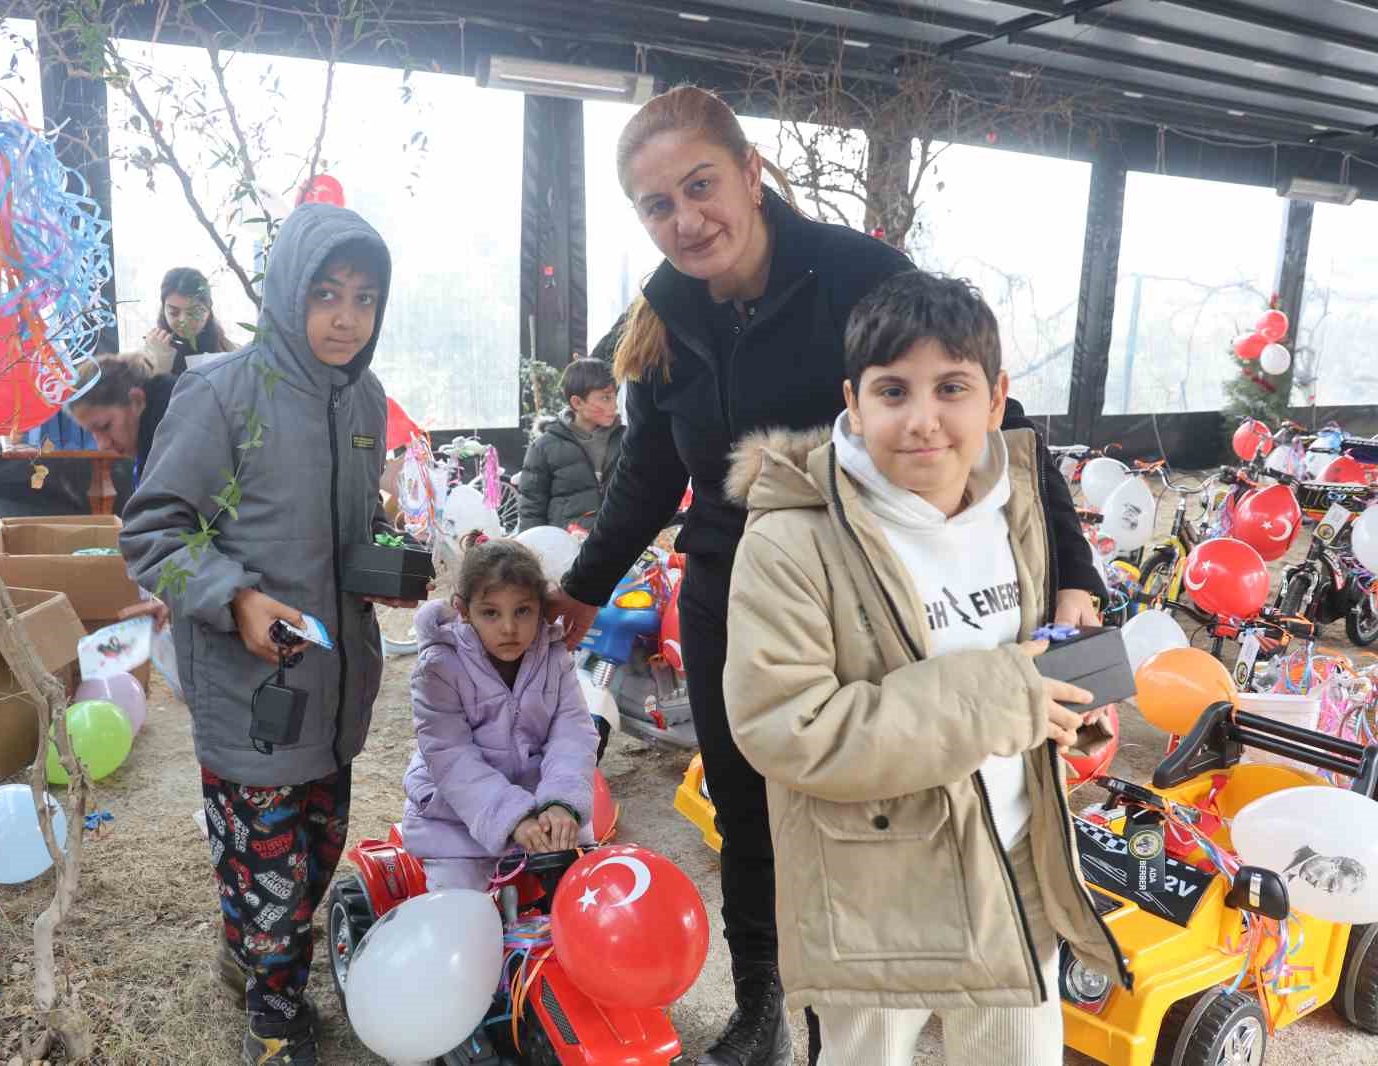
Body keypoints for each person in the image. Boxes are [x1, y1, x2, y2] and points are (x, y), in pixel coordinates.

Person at [545, 86, 1105, 1066]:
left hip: (886, 583)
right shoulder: (665, 315)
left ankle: (965, 982)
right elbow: (649, 468)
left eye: (700, 185)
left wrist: (1073, 575)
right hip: (737, 586)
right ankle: (771, 1005)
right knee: (753, 806)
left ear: (751, 173)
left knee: (901, 789)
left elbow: (997, 427)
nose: (685, 218)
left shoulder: (857, 275)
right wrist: (583, 587)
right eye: (657, 204)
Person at [721, 271, 1125, 1065]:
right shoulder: (791, 541)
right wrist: (1003, 695)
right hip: (872, 884)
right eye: (893, 391)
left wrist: (1072, 703)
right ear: (854, 400)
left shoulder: (1019, 512)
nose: (923, 421)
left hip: (1013, 854)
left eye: (951, 388)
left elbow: (1034, 667)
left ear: (996, 398)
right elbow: (787, 728)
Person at [121, 203, 406, 1066]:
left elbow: (350, 521)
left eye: (364, 297)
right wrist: (235, 599)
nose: (345, 316)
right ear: (288, 292)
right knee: (270, 868)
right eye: (326, 294)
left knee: (313, 853)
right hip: (251, 693)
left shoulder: (367, 397)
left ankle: (246, 948)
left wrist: (390, 553)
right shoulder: (221, 392)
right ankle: (275, 1012)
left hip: (334, 686)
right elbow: (152, 533)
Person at [401, 537, 598, 890]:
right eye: (491, 612)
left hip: (543, 806)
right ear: (463, 609)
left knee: (588, 885)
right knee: (460, 905)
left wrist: (561, 805)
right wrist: (512, 818)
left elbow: (573, 734)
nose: (509, 628)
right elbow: (450, 757)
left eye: (522, 611)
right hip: (456, 818)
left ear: (543, 606)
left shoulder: (555, 657)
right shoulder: (438, 670)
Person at [516, 357, 624, 532]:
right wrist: (535, 550)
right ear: (577, 402)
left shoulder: (628, 441)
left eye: (614, 396)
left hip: (620, 543)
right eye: (605, 398)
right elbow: (531, 509)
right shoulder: (543, 447)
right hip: (565, 547)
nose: (614, 405)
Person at [65, 355, 176, 485]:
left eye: (105, 426)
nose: (102, 446)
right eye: (93, 433)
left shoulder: (174, 449)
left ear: (137, 400)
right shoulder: (153, 446)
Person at [143, 266, 237, 376]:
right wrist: (159, 367)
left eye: (193, 313)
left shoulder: (228, 350)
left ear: (209, 308)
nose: (183, 321)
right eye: (174, 313)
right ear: (163, 310)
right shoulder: (152, 351)